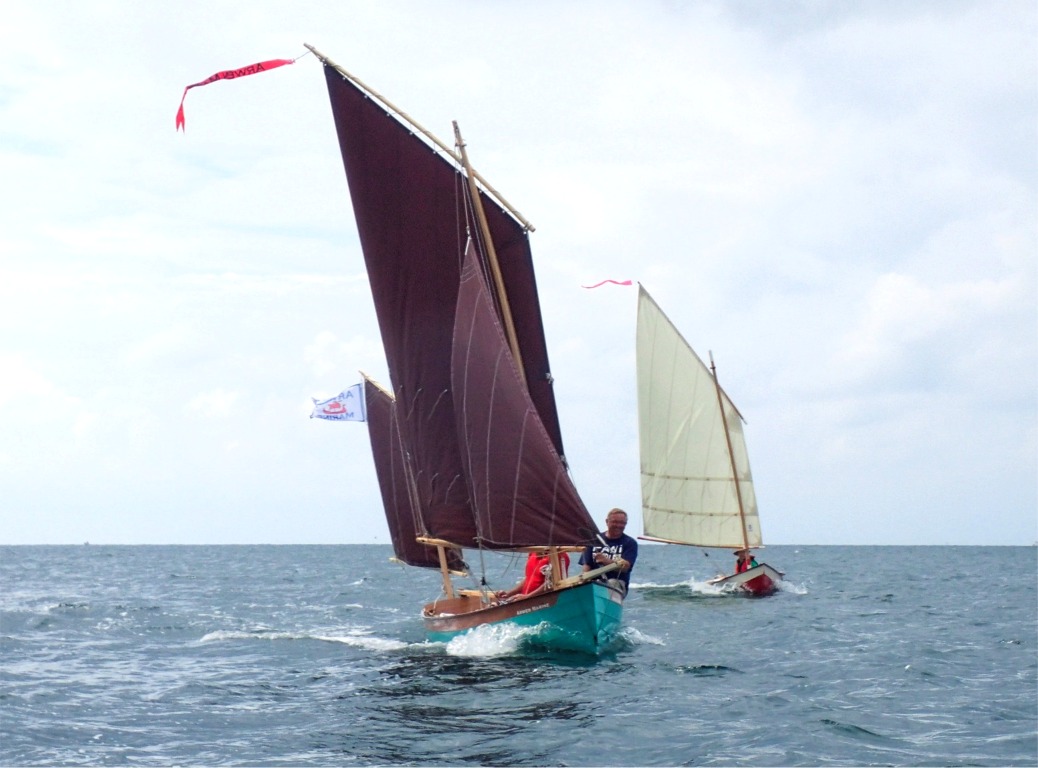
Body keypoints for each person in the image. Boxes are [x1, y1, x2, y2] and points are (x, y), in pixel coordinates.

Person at [579, 508, 638, 594]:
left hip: (616, 585)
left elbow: (626, 567)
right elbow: (586, 566)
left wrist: (606, 561)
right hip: (594, 584)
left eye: (622, 523)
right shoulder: (593, 539)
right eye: (615, 522)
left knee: (611, 583)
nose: (618, 525)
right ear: (607, 521)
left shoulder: (630, 543)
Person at [497, 549, 570, 601]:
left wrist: (528, 597)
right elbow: (528, 578)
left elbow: (553, 583)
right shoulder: (532, 552)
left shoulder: (558, 555)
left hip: (543, 602)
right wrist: (509, 593)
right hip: (525, 601)